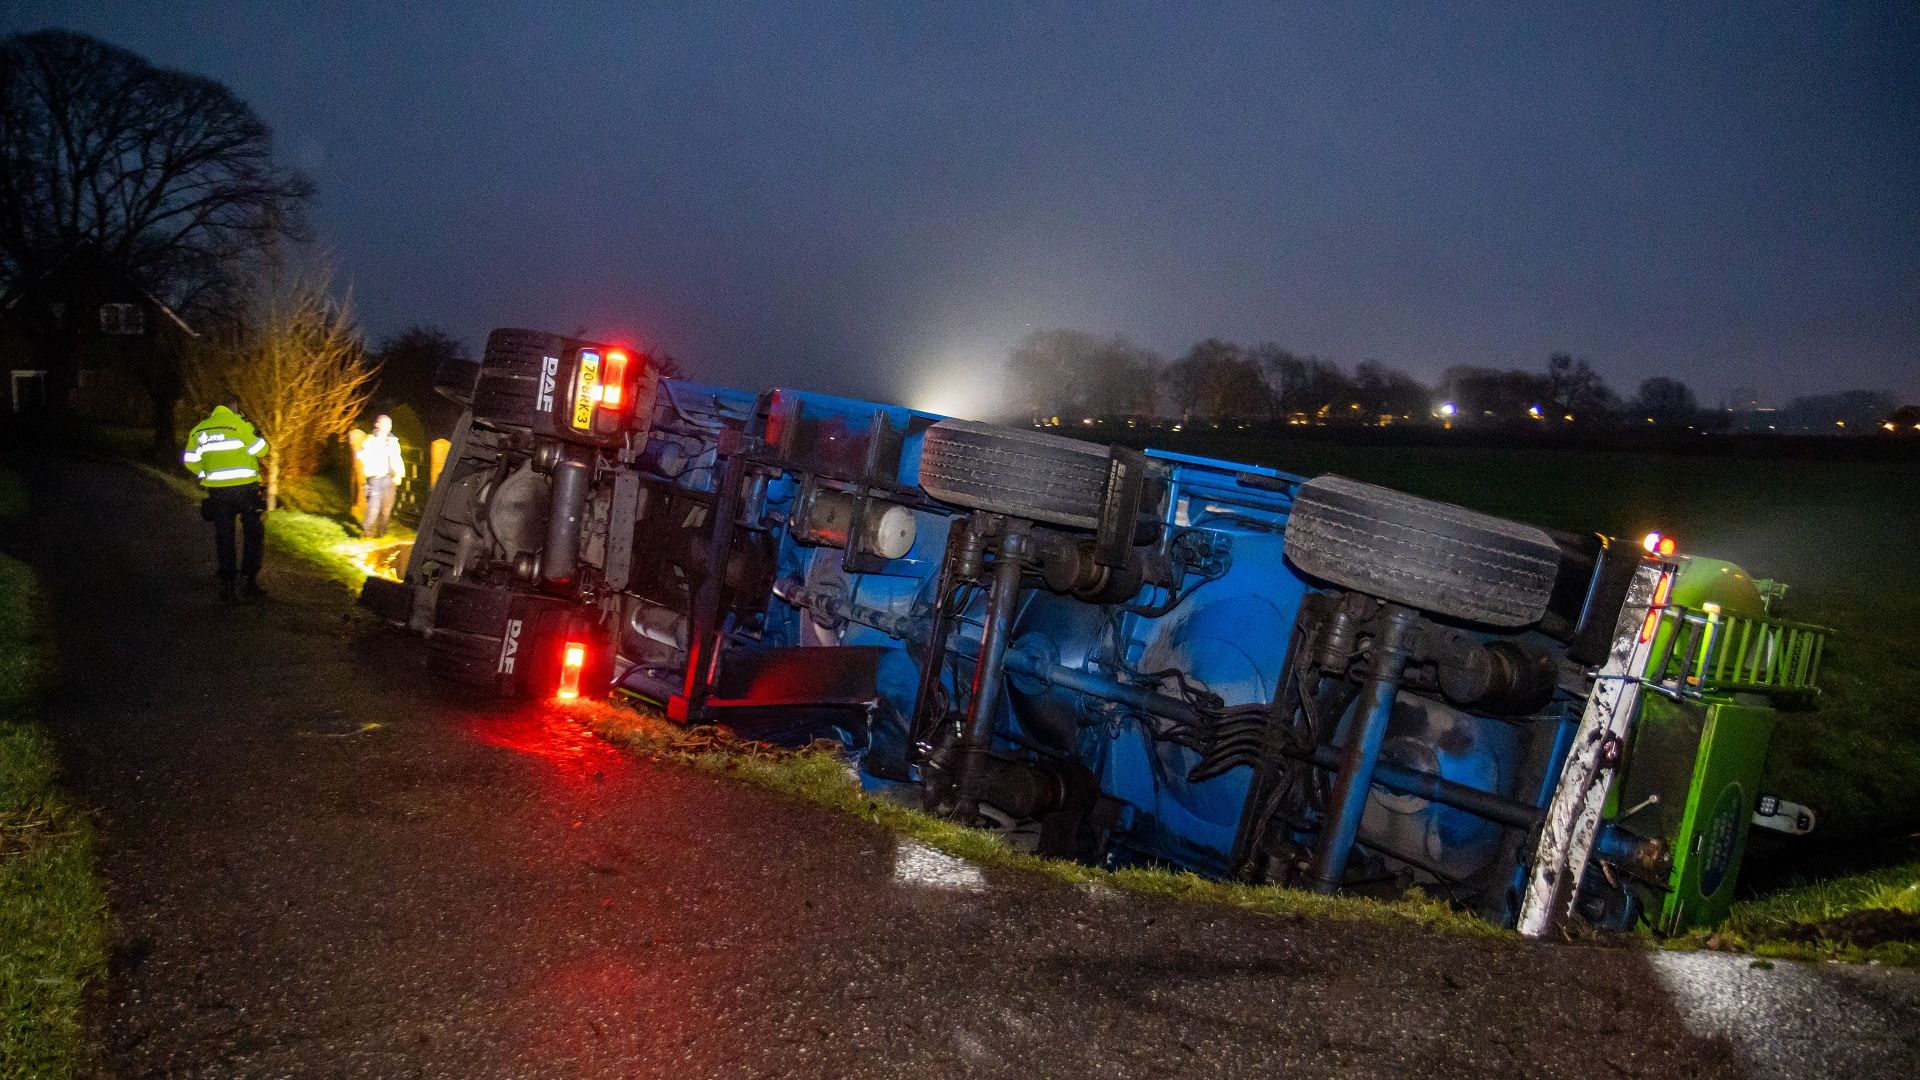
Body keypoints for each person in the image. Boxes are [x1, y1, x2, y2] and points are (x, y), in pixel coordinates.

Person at [183, 396, 270, 602]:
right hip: (245, 489)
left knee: (224, 534)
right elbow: (262, 450)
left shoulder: (200, 430)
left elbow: (190, 460)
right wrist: (258, 435)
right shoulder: (240, 425)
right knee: (253, 532)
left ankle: (228, 582)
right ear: (236, 408)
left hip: (218, 492)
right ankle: (248, 580)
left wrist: (204, 474)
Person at [356, 414, 406, 538]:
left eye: (389, 424)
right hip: (375, 478)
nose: (388, 427)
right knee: (374, 506)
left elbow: (397, 458)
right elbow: (361, 455)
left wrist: (399, 473)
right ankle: (366, 530)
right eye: (385, 424)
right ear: (377, 425)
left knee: (386, 508)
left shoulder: (394, 442)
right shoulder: (370, 440)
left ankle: (381, 531)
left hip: (389, 479)